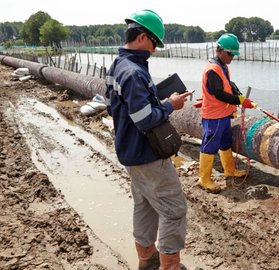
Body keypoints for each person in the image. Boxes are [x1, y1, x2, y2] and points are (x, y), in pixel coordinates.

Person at [105, 9, 191, 270]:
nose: (154, 49)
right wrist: (169, 105)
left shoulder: (117, 66)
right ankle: (170, 266)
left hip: (131, 153)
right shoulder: (134, 72)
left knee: (145, 207)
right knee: (174, 211)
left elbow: (111, 107)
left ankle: (147, 260)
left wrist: (158, 101)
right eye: (155, 43)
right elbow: (144, 119)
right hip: (149, 154)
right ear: (143, 37)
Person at [197, 33, 256, 193]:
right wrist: (240, 101)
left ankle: (229, 170)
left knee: (225, 143)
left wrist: (238, 96)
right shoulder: (212, 69)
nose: (232, 57)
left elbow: (226, 86)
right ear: (220, 50)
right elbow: (219, 94)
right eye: (230, 54)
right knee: (209, 145)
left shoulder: (223, 66)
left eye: (234, 55)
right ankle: (204, 179)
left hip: (223, 115)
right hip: (213, 116)